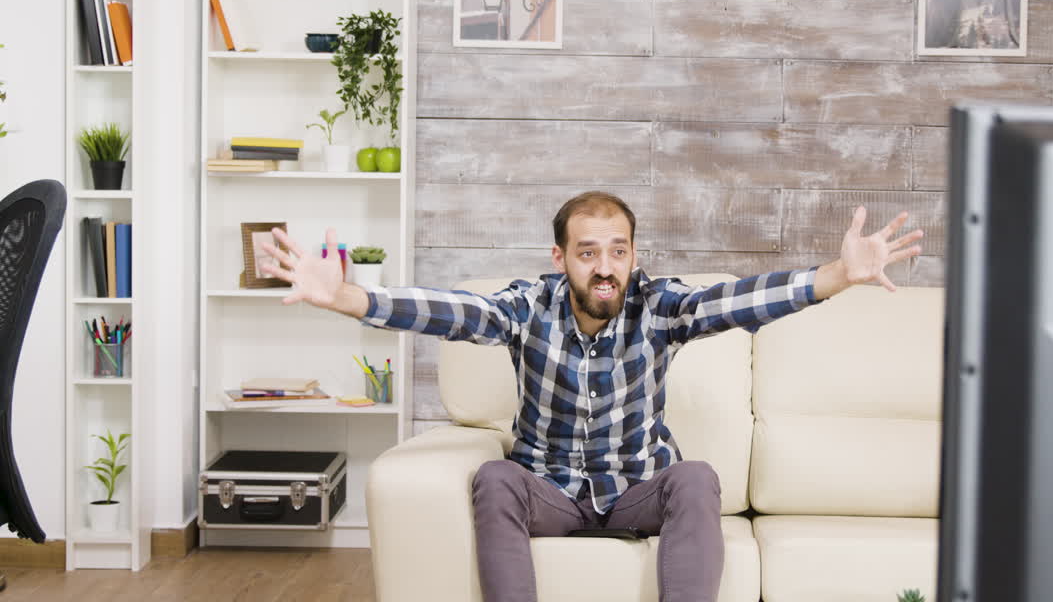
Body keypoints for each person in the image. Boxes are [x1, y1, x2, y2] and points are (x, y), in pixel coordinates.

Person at [258, 191, 923, 602]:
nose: (605, 268)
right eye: (587, 253)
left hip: (636, 489)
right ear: (560, 258)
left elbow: (739, 301)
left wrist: (839, 274)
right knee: (496, 477)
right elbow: (451, 311)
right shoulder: (527, 307)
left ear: (633, 255)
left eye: (618, 251)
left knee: (695, 477)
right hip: (549, 491)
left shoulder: (658, 306)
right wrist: (347, 296)